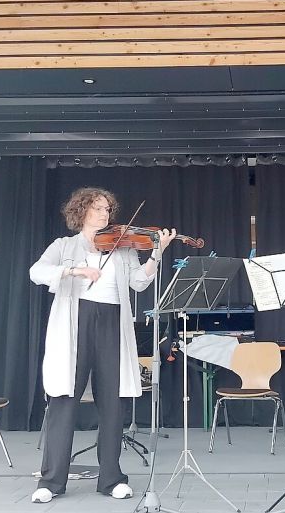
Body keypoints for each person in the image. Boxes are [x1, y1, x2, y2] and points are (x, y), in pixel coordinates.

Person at [29, 187, 176, 504]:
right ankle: (51, 480)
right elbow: (36, 272)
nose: (104, 214)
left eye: (107, 209)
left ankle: (111, 479)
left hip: (112, 322)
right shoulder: (64, 246)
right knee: (63, 400)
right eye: (97, 208)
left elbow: (139, 282)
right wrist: (74, 269)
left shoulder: (123, 248)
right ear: (80, 211)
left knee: (112, 402)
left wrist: (156, 253)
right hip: (75, 322)